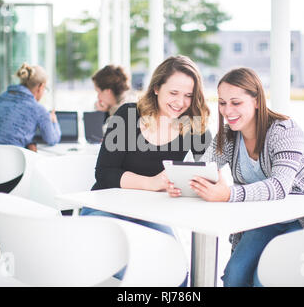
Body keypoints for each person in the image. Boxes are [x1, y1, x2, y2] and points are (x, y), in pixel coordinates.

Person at [166, 67, 304, 287]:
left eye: (236, 103)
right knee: (233, 277)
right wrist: (183, 183)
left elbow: (279, 186)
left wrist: (228, 194)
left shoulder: (284, 131)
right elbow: (203, 169)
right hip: (265, 220)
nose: (227, 111)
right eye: (222, 102)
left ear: (256, 101)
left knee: (262, 280)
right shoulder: (228, 136)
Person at [80, 55, 212, 285]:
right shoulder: (128, 115)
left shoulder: (191, 127)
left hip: (149, 214)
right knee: (145, 269)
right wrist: (153, 183)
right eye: (174, 93)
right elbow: (104, 173)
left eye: (188, 95)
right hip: (105, 209)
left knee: (177, 273)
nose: (180, 102)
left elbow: (211, 170)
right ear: (157, 88)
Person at [0, 62, 61, 259]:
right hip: (7, 179)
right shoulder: (37, 108)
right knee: (46, 183)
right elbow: (52, 138)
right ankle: (35, 241)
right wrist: (53, 119)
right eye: (44, 88)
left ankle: (9, 234)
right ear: (40, 88)